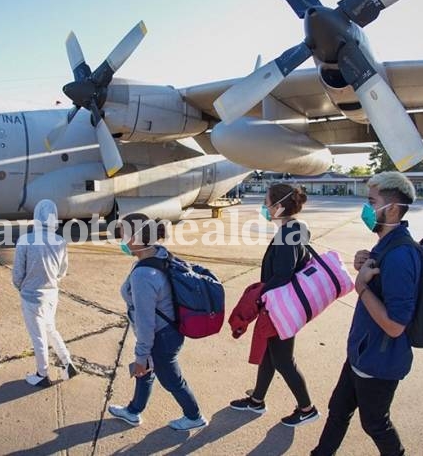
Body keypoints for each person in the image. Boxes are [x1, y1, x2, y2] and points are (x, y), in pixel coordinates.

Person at [311, 171, 421, 456]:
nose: (367, 209)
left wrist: (361, 287)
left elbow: (396, 326)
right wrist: (366, 261)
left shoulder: (399, 255)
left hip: (379, 362)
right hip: (362, 354)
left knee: (375, 424)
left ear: (393, 209)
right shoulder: (386, 246)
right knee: (338, 410)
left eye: (372, 202)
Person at [229, 184, 319, 427]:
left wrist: (260, 295)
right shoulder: (294, 229)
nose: (264, 207)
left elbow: (283, 273)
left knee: (283, 360)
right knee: (270, 354)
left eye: (267, 202)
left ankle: (307, 408)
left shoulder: (289, 233)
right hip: (280, 304)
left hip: (281, 306)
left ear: (279, 206)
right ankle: (257, 400)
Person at [108, 213, 208, 431]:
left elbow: (145, 322)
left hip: (160, 337)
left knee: (171, 380)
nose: (120, 239)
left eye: (123, 234)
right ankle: (133, 411)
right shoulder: (159, 255)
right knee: (145, 373)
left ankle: (194, 416)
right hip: (169, 330)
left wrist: (141, 355)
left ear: (135, 238)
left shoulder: (143, 275)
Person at [14, 199, 78, 387]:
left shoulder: (25, 240)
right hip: (52, 294)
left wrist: (21, 286)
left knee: (38, 337)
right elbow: (62, 271)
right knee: (50, 328)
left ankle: (42, 373)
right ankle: (67, 363)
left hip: (31, 296)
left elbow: (18, 273)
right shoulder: (60, 241)